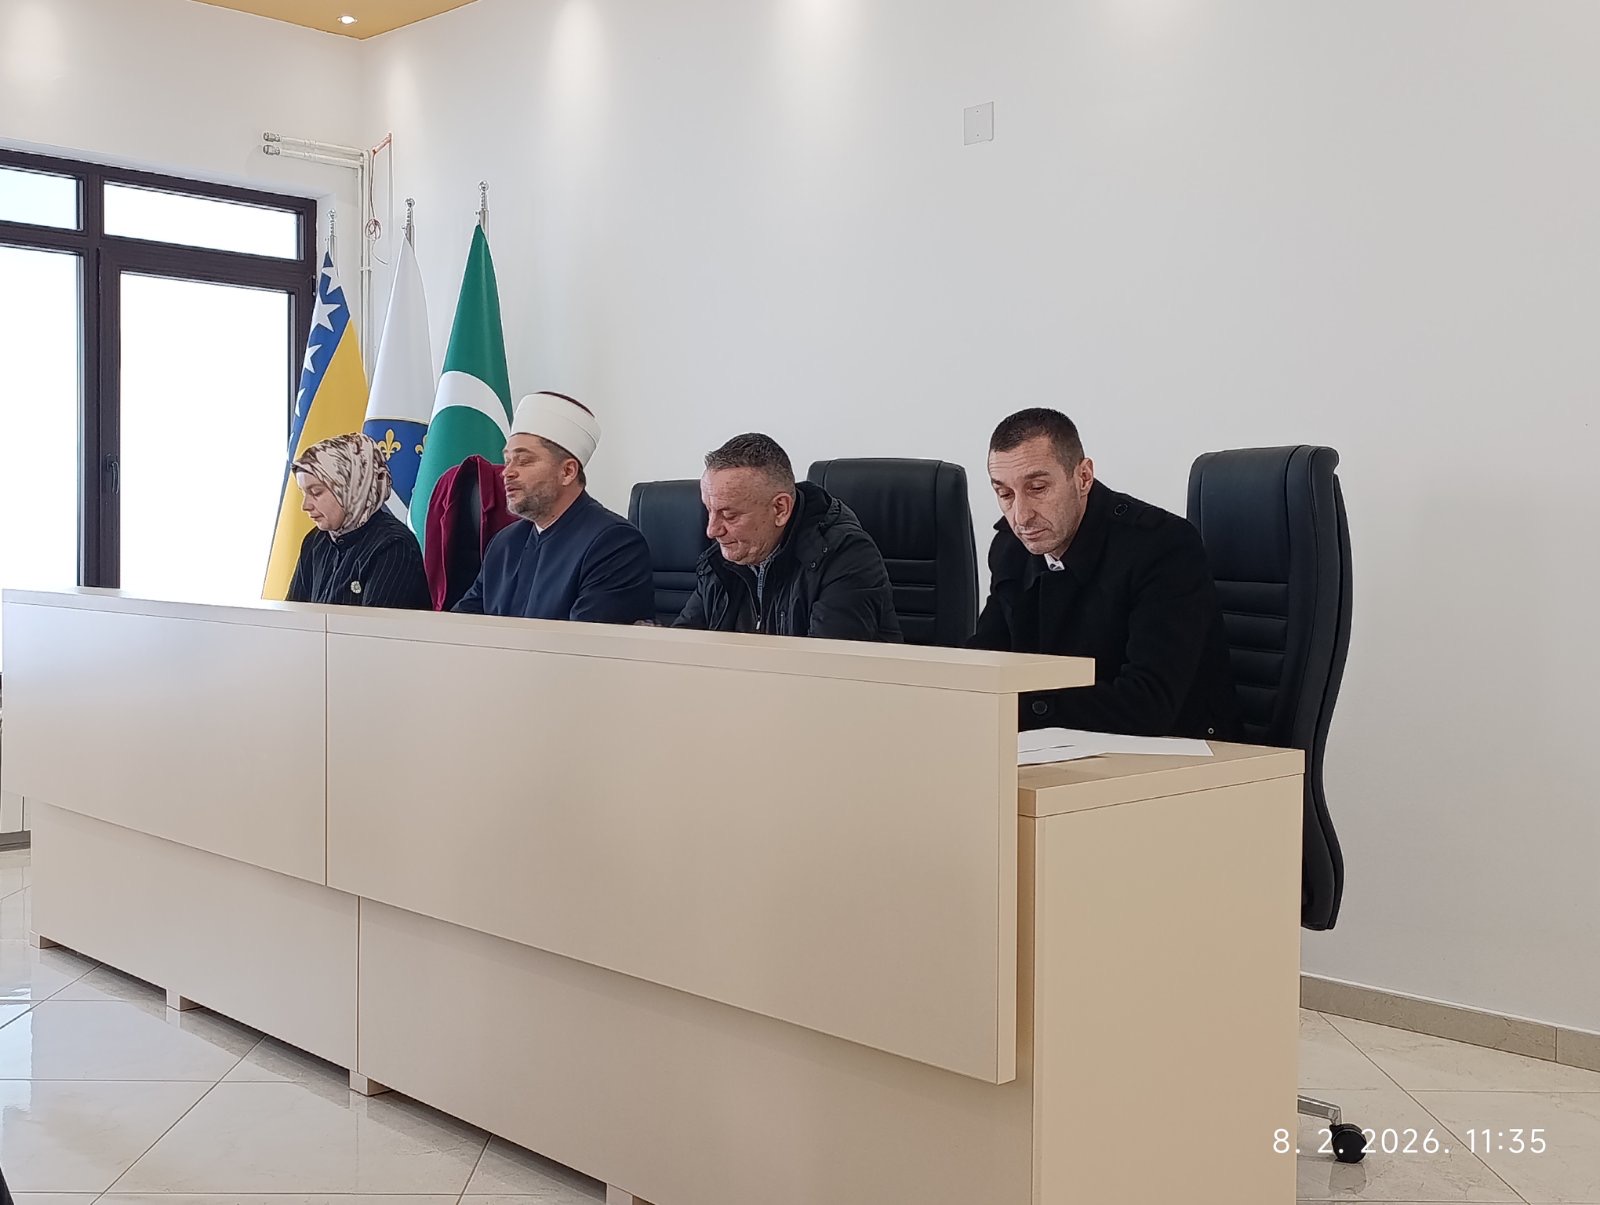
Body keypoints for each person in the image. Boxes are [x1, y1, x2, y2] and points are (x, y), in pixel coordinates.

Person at [970, 408, 1240, 739]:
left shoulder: (1161, 545)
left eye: (1037, 488)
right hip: (1062, 743)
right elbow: (987, 659)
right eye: (1005, 494)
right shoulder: (1011, 548)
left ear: (1083, 477)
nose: (1021, 516)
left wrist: (1017, 708)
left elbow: (1149, 704)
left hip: (1182, 749)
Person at [673, 432, 901, 641]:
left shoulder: (845, 557)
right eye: (709, 510)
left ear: (780, 509)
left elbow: (827, 666)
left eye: (729, 515)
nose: (712, 530)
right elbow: (682, 646)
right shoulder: (721, 560)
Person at [453, 392, 653, 623]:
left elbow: (586, 640)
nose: (507, 472)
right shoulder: (504, 543)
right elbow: (462, 624)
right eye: (507, 461)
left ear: (567, 472)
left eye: (523, 460)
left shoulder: (614, 544)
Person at [286, 432, 431, 609]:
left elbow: (374, 625)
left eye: (316, 492)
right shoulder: (315, 541)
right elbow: (292, 617)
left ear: (350, 487)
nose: (305, 505)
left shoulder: (393, 546)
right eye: (303, 493)